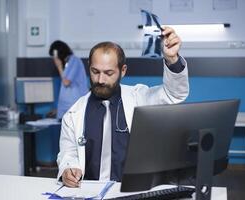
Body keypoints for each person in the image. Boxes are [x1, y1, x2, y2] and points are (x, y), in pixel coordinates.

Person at [57, 27, 189, 187]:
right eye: (95, 71)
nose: (100, 80)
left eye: (109, 73)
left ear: (123, 71)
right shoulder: (74, 113)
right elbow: (68, 151)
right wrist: (69, 168)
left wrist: (172, 59)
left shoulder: (139, 97)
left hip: (132, 189)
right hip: (89, 191)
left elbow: (173, 94)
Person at [48, 40, 89, 120]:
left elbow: (66, 82)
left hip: (74, 106)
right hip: (66, 107)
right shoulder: (67, 63)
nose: (54, 60)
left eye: (54, 57)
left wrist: (59, 66)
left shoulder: (75, 61)